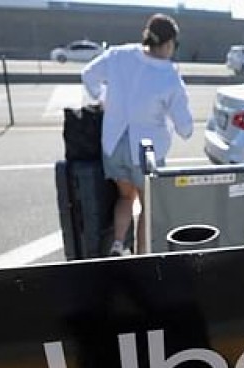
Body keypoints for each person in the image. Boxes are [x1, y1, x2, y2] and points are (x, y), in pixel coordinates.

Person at [81, 13, 194, 256]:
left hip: (113, 144)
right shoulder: (170, 76)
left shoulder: (119, 55)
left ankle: (118, 244)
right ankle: (142, 255)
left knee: (124, 198)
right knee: (147, 206)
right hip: (146, 155)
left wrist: (102, 99)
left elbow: (88, 74)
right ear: (168, 43)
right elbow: (185, 128)